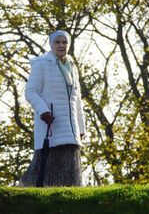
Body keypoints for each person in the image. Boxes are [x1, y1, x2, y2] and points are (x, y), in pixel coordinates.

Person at [20, 30, 86, 187]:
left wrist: (81, 127)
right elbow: (31, 91)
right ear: (51, 45)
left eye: (64, 42)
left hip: (71, 131)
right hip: (51, 125)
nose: (61, 45)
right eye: (57, 42)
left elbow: (77, 101)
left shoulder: (72, 67)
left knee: (71, 174)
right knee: (44, 169)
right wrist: (43, 111)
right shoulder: (42, 64)